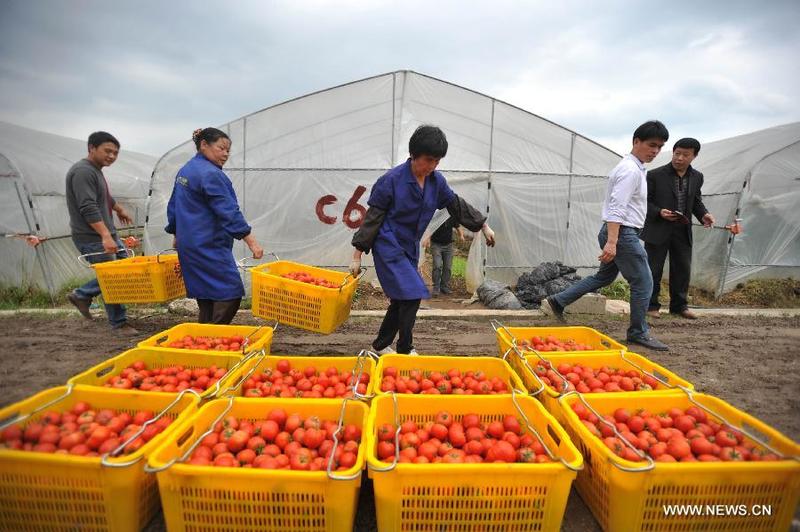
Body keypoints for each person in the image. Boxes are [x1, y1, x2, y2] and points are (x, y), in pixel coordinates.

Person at [350, 125, 495, 355]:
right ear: (414, 155)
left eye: (437, 161)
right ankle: (405, 348)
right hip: (388, 244)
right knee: (413, 293)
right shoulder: (392, 180)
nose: (432, 166)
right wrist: (357, 255)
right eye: (428, 160)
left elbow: (455, 205)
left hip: (409, 247)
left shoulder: (436, 182)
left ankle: (378, 346)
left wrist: (483, 225)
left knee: (401, 299)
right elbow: (373, 218)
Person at [542, 121, 670, 351]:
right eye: (652, 145)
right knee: (643, 282)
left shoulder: (635, 167)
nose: (655, 151)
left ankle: (558, 301)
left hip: (619, 232)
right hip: (622, 234)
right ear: (636, 142)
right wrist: (612, 242)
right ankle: (638, 333)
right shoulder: (630, 170)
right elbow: (616, 207)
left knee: (603, 278)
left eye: (660, 147)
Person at [165, 128, 264, 324]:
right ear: (204, 145)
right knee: (230, 292)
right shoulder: (210, 174)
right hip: (208, 243)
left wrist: (176, 233)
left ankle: (204, 336)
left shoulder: (186, 170)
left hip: (190, 243)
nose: (226, 154)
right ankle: (215, 336)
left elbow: (174, 205)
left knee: (206, 293)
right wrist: (252, 241)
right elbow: (228, 211)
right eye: (221, 148)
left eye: (228, 150)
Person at [65, 131, 138, 335]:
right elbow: (87, 206)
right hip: (93, 237)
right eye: (108, 151)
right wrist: (105, 236)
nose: (112, 156)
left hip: (107, 234)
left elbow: (102, 196)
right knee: (112, 278)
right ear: (91, 148)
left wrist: (118, 209)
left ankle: (82, 295)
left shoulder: (95, 170)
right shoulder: (83, 171)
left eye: (115, 153)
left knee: (124, 271)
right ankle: (118, 323)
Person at [641, 138, 714, 319]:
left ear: (694, 156)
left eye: (685, 155)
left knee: (682, 268)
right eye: (677, 153)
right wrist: (659, 212)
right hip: (658, 228)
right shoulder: (655, 175)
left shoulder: (697, 177)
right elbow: (644, 202)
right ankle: (651, 306)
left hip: (682, 229)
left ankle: (679, 306)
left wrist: (704, 214)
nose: (679, 158)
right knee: (653, 268)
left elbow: (696, 201)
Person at [422, 216, 464, 296]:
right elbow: (430, 228)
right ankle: (436, 287)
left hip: (449, 245)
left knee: (447, 267)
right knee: (437, 265)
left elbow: (458, 227)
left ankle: (444, 286)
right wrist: (427, 239)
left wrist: (461, 235)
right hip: (436, 245)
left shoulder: (451, 216)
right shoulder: (436, 216)